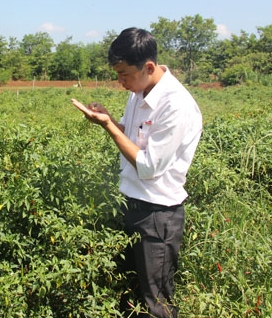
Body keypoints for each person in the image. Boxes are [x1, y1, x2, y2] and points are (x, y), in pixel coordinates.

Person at [71, 27, 202, 317]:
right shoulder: (139, 91)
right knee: (130, 294)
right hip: (131, 203)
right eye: (118, 74)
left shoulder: (176, 105)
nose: (121, 82)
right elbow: (131, 139)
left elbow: (148, 166)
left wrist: (108, 127)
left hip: (157, 215)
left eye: (125, 74)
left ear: (150, 67)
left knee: (157, 303)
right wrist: (107, 120)